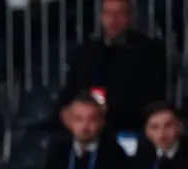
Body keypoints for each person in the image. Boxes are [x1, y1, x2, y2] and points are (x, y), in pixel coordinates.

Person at [58, 0, 166, 134]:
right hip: (84, 124)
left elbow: (152, 98)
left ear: (131, 17)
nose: (113, 20)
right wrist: (66, 112)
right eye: (108, 14)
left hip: (127, 125)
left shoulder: (149, 51)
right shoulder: (87, 51)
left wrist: (107, 107)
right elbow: (69, 91)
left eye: (119, 13)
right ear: (101, 17)